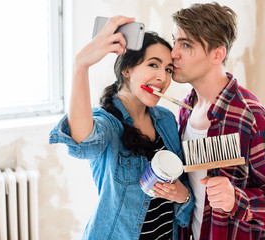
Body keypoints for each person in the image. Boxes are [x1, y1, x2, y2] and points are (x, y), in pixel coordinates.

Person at [49, 16, 194, 239]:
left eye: (168, 70)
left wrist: (183, 195)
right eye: (153, 65)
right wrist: (81, 66)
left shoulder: (166, 119)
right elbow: (83, 142)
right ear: (127, 69)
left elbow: (182, 183)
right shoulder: (107, 122)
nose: (162, 77)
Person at [171, 2, 265, 240]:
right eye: (175, 42)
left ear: (217, 54)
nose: (173, 53)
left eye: (186, 45)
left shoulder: (252, 118)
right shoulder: (187, 106)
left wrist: (237, 199)